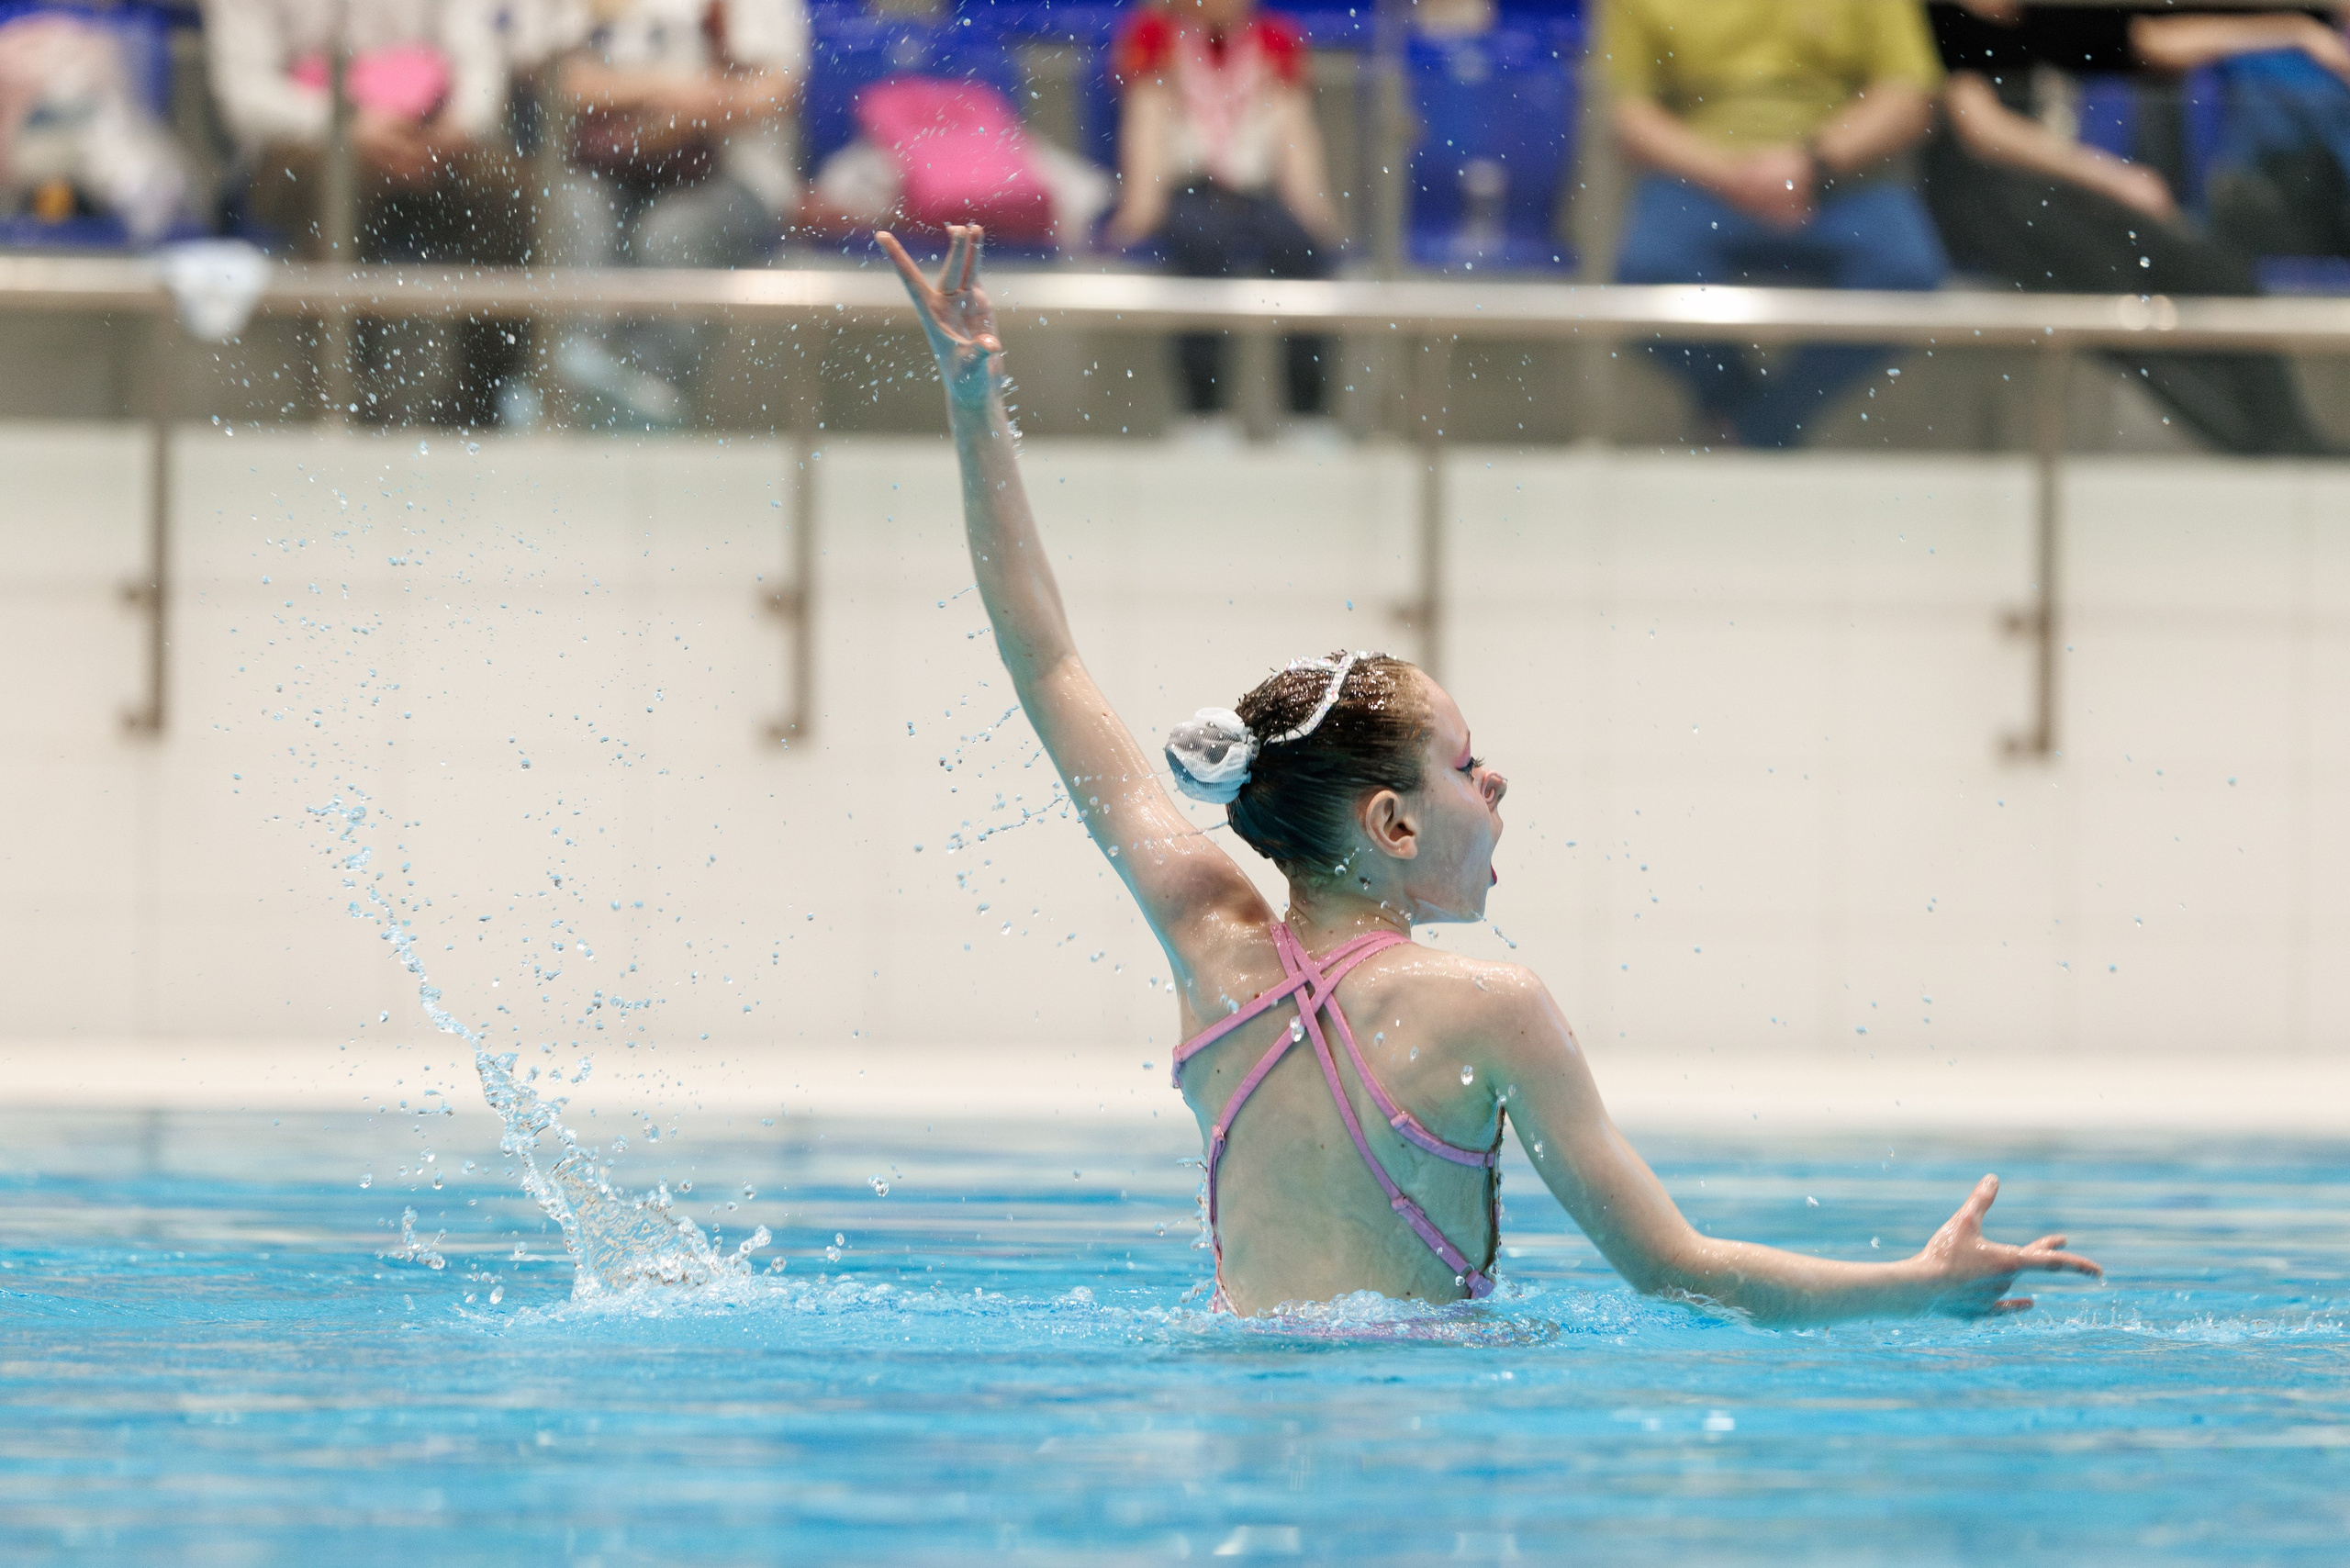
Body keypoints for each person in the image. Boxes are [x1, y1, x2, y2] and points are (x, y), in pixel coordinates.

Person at [875, 221, 2106, 1321]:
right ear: (1394, 824)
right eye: (1465, 766)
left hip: (1231, 1393)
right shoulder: (1491, 1007)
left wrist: (974, 400)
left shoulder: (1209, 941)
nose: (1498, 783)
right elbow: (1678, 1269)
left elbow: (1048, 665)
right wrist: (1915, 1290)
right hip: (1423, 1430)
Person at [1925, 1, 2339, 454]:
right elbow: (1982, 129)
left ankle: (2286, 430)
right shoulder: (1941, 17)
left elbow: (2162, 42)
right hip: (1993, 211)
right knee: (2124, 309)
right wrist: (2113, 178)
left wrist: (2292, 29)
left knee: (2214, 270)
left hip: (2066, 197)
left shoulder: (2052, 18)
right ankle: (2259, 447)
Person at [1601, 0, 1950, 448]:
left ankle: (1750, 429)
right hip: (1700, 179)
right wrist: (1732, 176)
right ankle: (1756, 424)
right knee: (1647, 277)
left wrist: (1811, 164)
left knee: (1908, 274)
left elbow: (1909, 97)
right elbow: (1628, 114)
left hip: (1840, 175)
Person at [204, 0, 527, 425]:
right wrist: (347, 124)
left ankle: (485, 402)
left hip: (429, 133)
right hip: (299, 142)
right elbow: (244, 96)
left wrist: (456, 127)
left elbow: (478, 59)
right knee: (341, 182)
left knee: (502, 186)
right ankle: (342, 403)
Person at [539, 0, 806, 426]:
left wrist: (694, 113)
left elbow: (777, 88)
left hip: (727, 173)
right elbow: (559, 79)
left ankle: (653, 394)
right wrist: (665, 95)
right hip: (609, 167)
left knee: (672, 233)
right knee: (577, 210)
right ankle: (574, 378)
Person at [1108, 0, 1344, 439]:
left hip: (1257, 189)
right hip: (1188, 188)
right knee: (1203, 250)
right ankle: (1203, 412)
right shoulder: (1155, 36)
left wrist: (1314, 211)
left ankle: (1308, 415)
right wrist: (1142, 205)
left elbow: (1296, 132)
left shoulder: (1275, 39)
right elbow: (1145, 121)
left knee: (1302, 252)